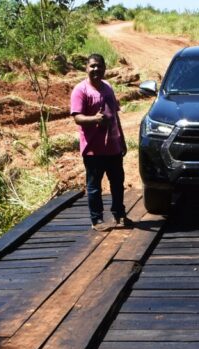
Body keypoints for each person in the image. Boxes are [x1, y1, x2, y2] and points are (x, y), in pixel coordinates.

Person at [71, 53, 131, 230]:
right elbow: (77, 118)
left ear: (105, 68)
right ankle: (97, 220)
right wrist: (95, 120)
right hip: (93, 149)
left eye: (99, 66)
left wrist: (122, 139)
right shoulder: (80, 90)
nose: (96, 69)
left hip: (113, 147)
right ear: (86, 68)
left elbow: (115, 115)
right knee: (94, 186)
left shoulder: (108, 88)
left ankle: (119, 215)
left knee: (118, 183)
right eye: (92, 66)